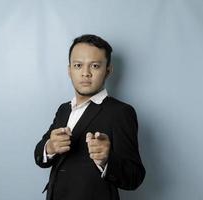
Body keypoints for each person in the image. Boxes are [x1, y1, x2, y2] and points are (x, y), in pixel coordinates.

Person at [34, 34, 145, 200]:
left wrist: (107, 160)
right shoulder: (64, 109)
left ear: (108, 70)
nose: (85, 73)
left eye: (94, 66)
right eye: (78, 65)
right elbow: (40, 155)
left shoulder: (121, 112)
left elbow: (134, 177)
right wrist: (50, 147)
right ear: (69, 70)